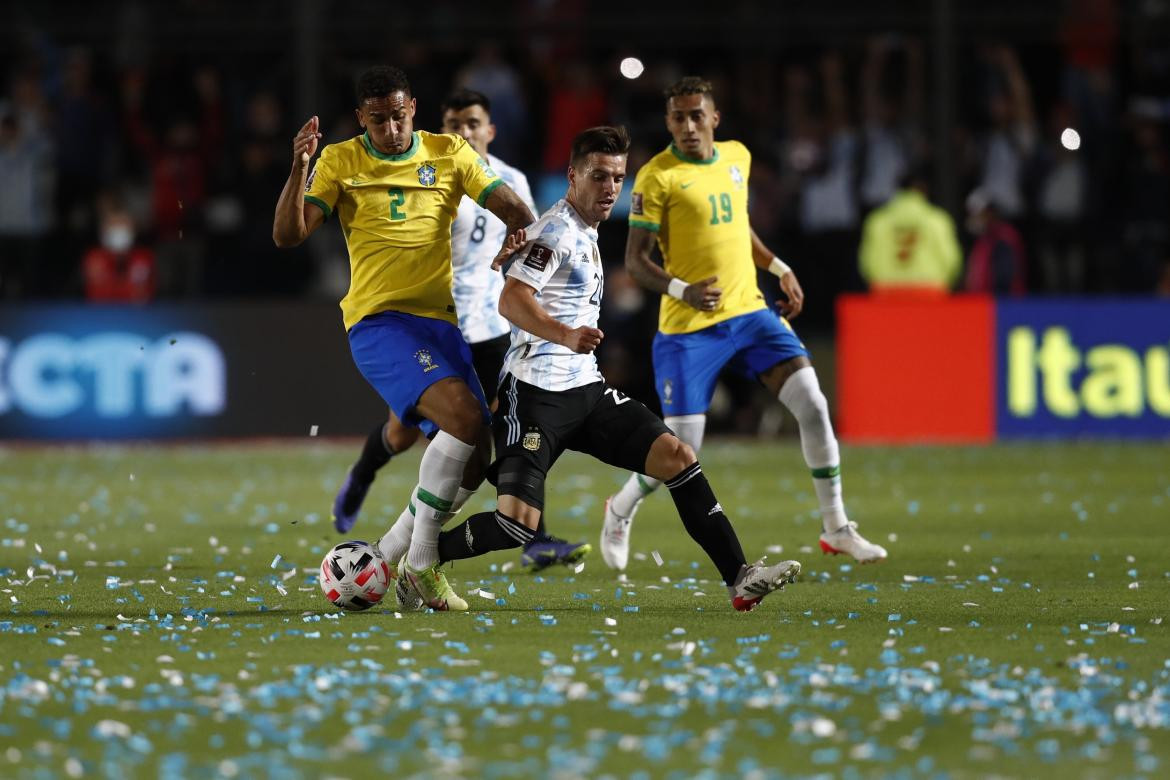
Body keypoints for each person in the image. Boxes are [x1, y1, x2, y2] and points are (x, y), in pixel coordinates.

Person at [416, 125, 800, 613]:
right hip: (534, 394)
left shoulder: (587, 229)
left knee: (678, 456)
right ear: (572, 176)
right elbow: (512, 301)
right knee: (517, 525)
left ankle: (739, 579)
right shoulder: (555, 232)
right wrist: (565, 334)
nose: (609, 188)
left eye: (618, 178)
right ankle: (423, 558)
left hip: (586, 391)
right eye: (598, 176)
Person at [273, 66, 536, 611]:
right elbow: (289, 235)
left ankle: (390, 553)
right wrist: (299, 167)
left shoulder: (448, 152)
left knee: (477, 454)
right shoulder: (340, 160)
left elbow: (514, 207)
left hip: (441, 324)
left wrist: (516, 232)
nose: (391, 129)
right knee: (463, 420)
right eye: (378, 120)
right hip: (379, 322)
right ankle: (420, 565)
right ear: (360, 119)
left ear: (413, 107)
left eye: (398, 116)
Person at [601, 77, 888, 571]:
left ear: (715, 118)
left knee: (816, 406)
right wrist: (682, 289)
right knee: (682, 448)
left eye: (696, 115)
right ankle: (621, 506)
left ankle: (836, 527)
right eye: (678, 117)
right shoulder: (656, 176)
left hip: (751, 312)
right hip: (689, 325)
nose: (688, 126)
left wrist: (779, 267)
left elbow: (738, 226)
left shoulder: (737, 157)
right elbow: (636, 260)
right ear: (668, 122)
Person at [331, 87, 590, 571]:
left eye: (473, 123)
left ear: (489, 130)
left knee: (506, 424)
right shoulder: (432, 170)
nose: (463, 131)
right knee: (404, 432)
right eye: (455, 123)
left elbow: (531, 236)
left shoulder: (508, 180)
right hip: (426, 322)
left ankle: (532, 533)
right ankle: (365, 478)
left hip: (491, 322)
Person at [858, 166, 963, 295]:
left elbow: (867, 261)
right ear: (925, 189)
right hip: (930, 292)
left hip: (885, 291)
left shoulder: (877, 220)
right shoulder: (937, 219)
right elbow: (951, 259)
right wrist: (945, 283)